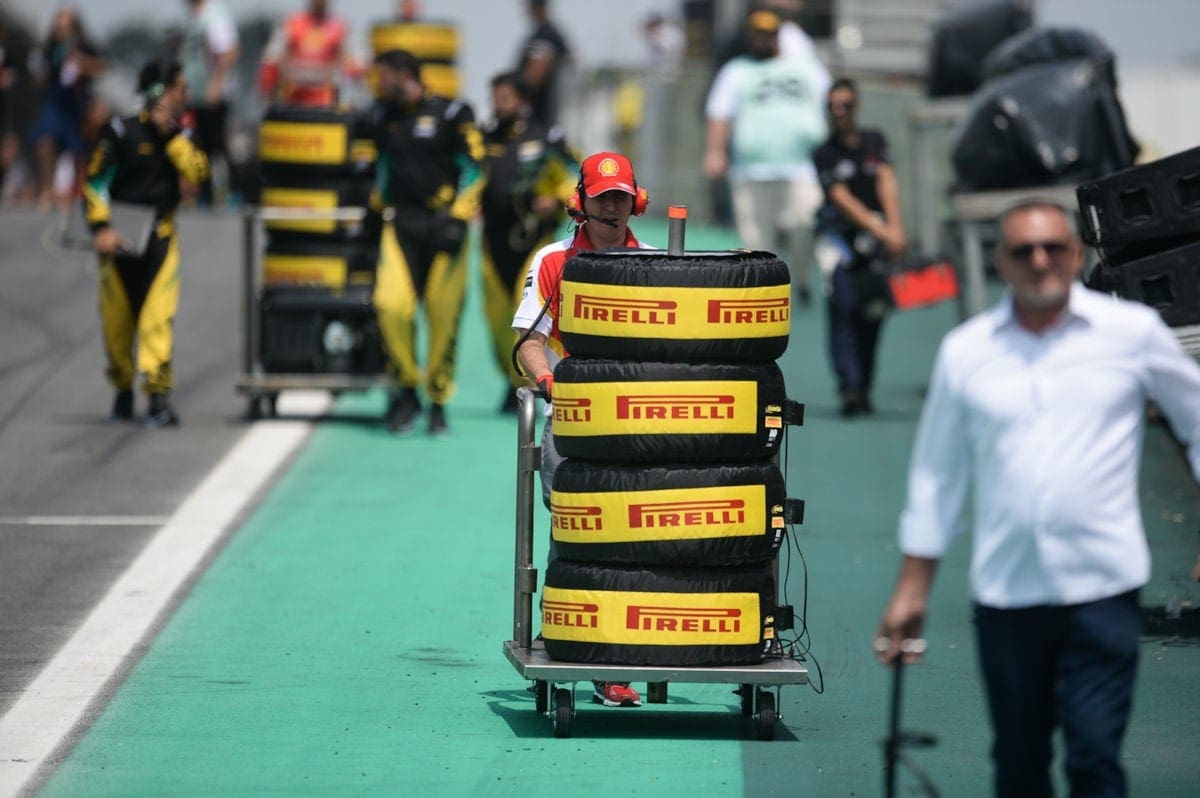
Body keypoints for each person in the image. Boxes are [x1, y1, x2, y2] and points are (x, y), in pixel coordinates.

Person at [875, 201, 1200, 797]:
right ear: (1001, 262)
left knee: (1094, 755)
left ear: (1077, 254)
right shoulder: (967, 351)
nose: (1041, 261)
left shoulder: (1132, 333)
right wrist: (911, 591)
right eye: (1024, 251)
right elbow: (937, 476)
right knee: (1019, 762)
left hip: (1104, 587)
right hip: (1008, 592)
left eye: (1053, 247)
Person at [512, 150, 653, 710]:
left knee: (638, 539)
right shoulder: (553, 260)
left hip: (643, 422)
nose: (612, 208)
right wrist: (548, 379)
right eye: (602, 198)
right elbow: (530, 339)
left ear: (637, 202)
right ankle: (571, 634)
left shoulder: (659, 265)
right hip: (573, 415)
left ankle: (627, 650)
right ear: (580, 202)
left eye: (621, 198)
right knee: (578, 532)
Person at [81, 59, 210, 428]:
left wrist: (170, 136)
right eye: (180, 89)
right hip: (118, 241)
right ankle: (122, 391)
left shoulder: (183, 135)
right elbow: (94, 182)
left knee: (157, 321)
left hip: (161, 241)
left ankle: (157, 398)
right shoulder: (119, 131)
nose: (185, 96)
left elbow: (199, 174)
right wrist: (101, 228)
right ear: (161, 92)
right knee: (116, 327)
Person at [369, 49, 484, 437]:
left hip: (444, 226)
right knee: (391, 306)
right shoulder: (382, 116)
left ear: (404, 75)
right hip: (400, 224)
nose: (377, 83)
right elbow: (381, 168)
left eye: (383, 75)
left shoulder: (453, 113)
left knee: (442, 315)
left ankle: (437, 401)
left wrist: (460, 216)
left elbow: (476, 167)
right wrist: (375, 206)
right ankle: (406, 391)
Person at [703, 8, 829, 305]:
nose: (763, 40)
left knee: (806, 226)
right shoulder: (736, 70)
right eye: (757, 34)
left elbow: (830, 101)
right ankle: (766, 294)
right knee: (756, 241)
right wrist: (715, 151)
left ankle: (800, 278)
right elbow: (719, 113)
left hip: (802, 168)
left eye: (768, 34)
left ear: (777, 36)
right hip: (751, 171)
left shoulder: (806, 67)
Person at [480, 70, 578, 414]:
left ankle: (526, 387)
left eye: (505, 98)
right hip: (491, 242)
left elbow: (574, 173)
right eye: (494, 98)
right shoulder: (485, 137)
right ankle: (511, 381)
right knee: (496, 320)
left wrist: (556, 198)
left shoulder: (546, 136)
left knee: (525, 318)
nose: (498, 104)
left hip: (533, 239)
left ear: (522, 100)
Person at [812, 78, 906, 417]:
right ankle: (849, 387)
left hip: (875, 247)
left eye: (846, 105)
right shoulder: (824, 153)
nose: (839, 112)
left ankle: (864, 384)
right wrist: (884, 230)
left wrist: (895, 229)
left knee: (873, 314)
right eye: (832, 107)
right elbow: (841, 198)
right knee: (843, 311)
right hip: (841, 245)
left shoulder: (875, 141)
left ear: (858, 106)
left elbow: (886, 182)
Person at [27, 7, 104, 213]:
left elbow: (102, 67)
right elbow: (40, 74)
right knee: (44, 141)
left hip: (76, 103)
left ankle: (77, 194)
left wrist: (82, 63)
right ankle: (47, 190)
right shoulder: (50, 46)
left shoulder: (84, 46)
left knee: (78, 150)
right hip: (54, 101)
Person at [179, 0, 238, 207]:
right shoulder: (194, 17)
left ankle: (231, 192)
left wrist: (216, 84)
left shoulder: (214, 14)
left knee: (217, 145)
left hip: (211, 95)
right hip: (195, 95)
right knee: (199, 145)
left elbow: (228, 51)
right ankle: (205, 193)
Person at [258, 0, 363, 108]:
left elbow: (354, 63)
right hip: (292, 93)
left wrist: (351, 72)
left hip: (326, 94)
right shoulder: (292, 22)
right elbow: (272, 58)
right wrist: (267, 93)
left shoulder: (340, 26)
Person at [516, 0, 570, 128]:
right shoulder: (550, 33)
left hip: (542, 117)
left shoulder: (545, 35)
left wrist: (518, 99)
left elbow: (536, 72)